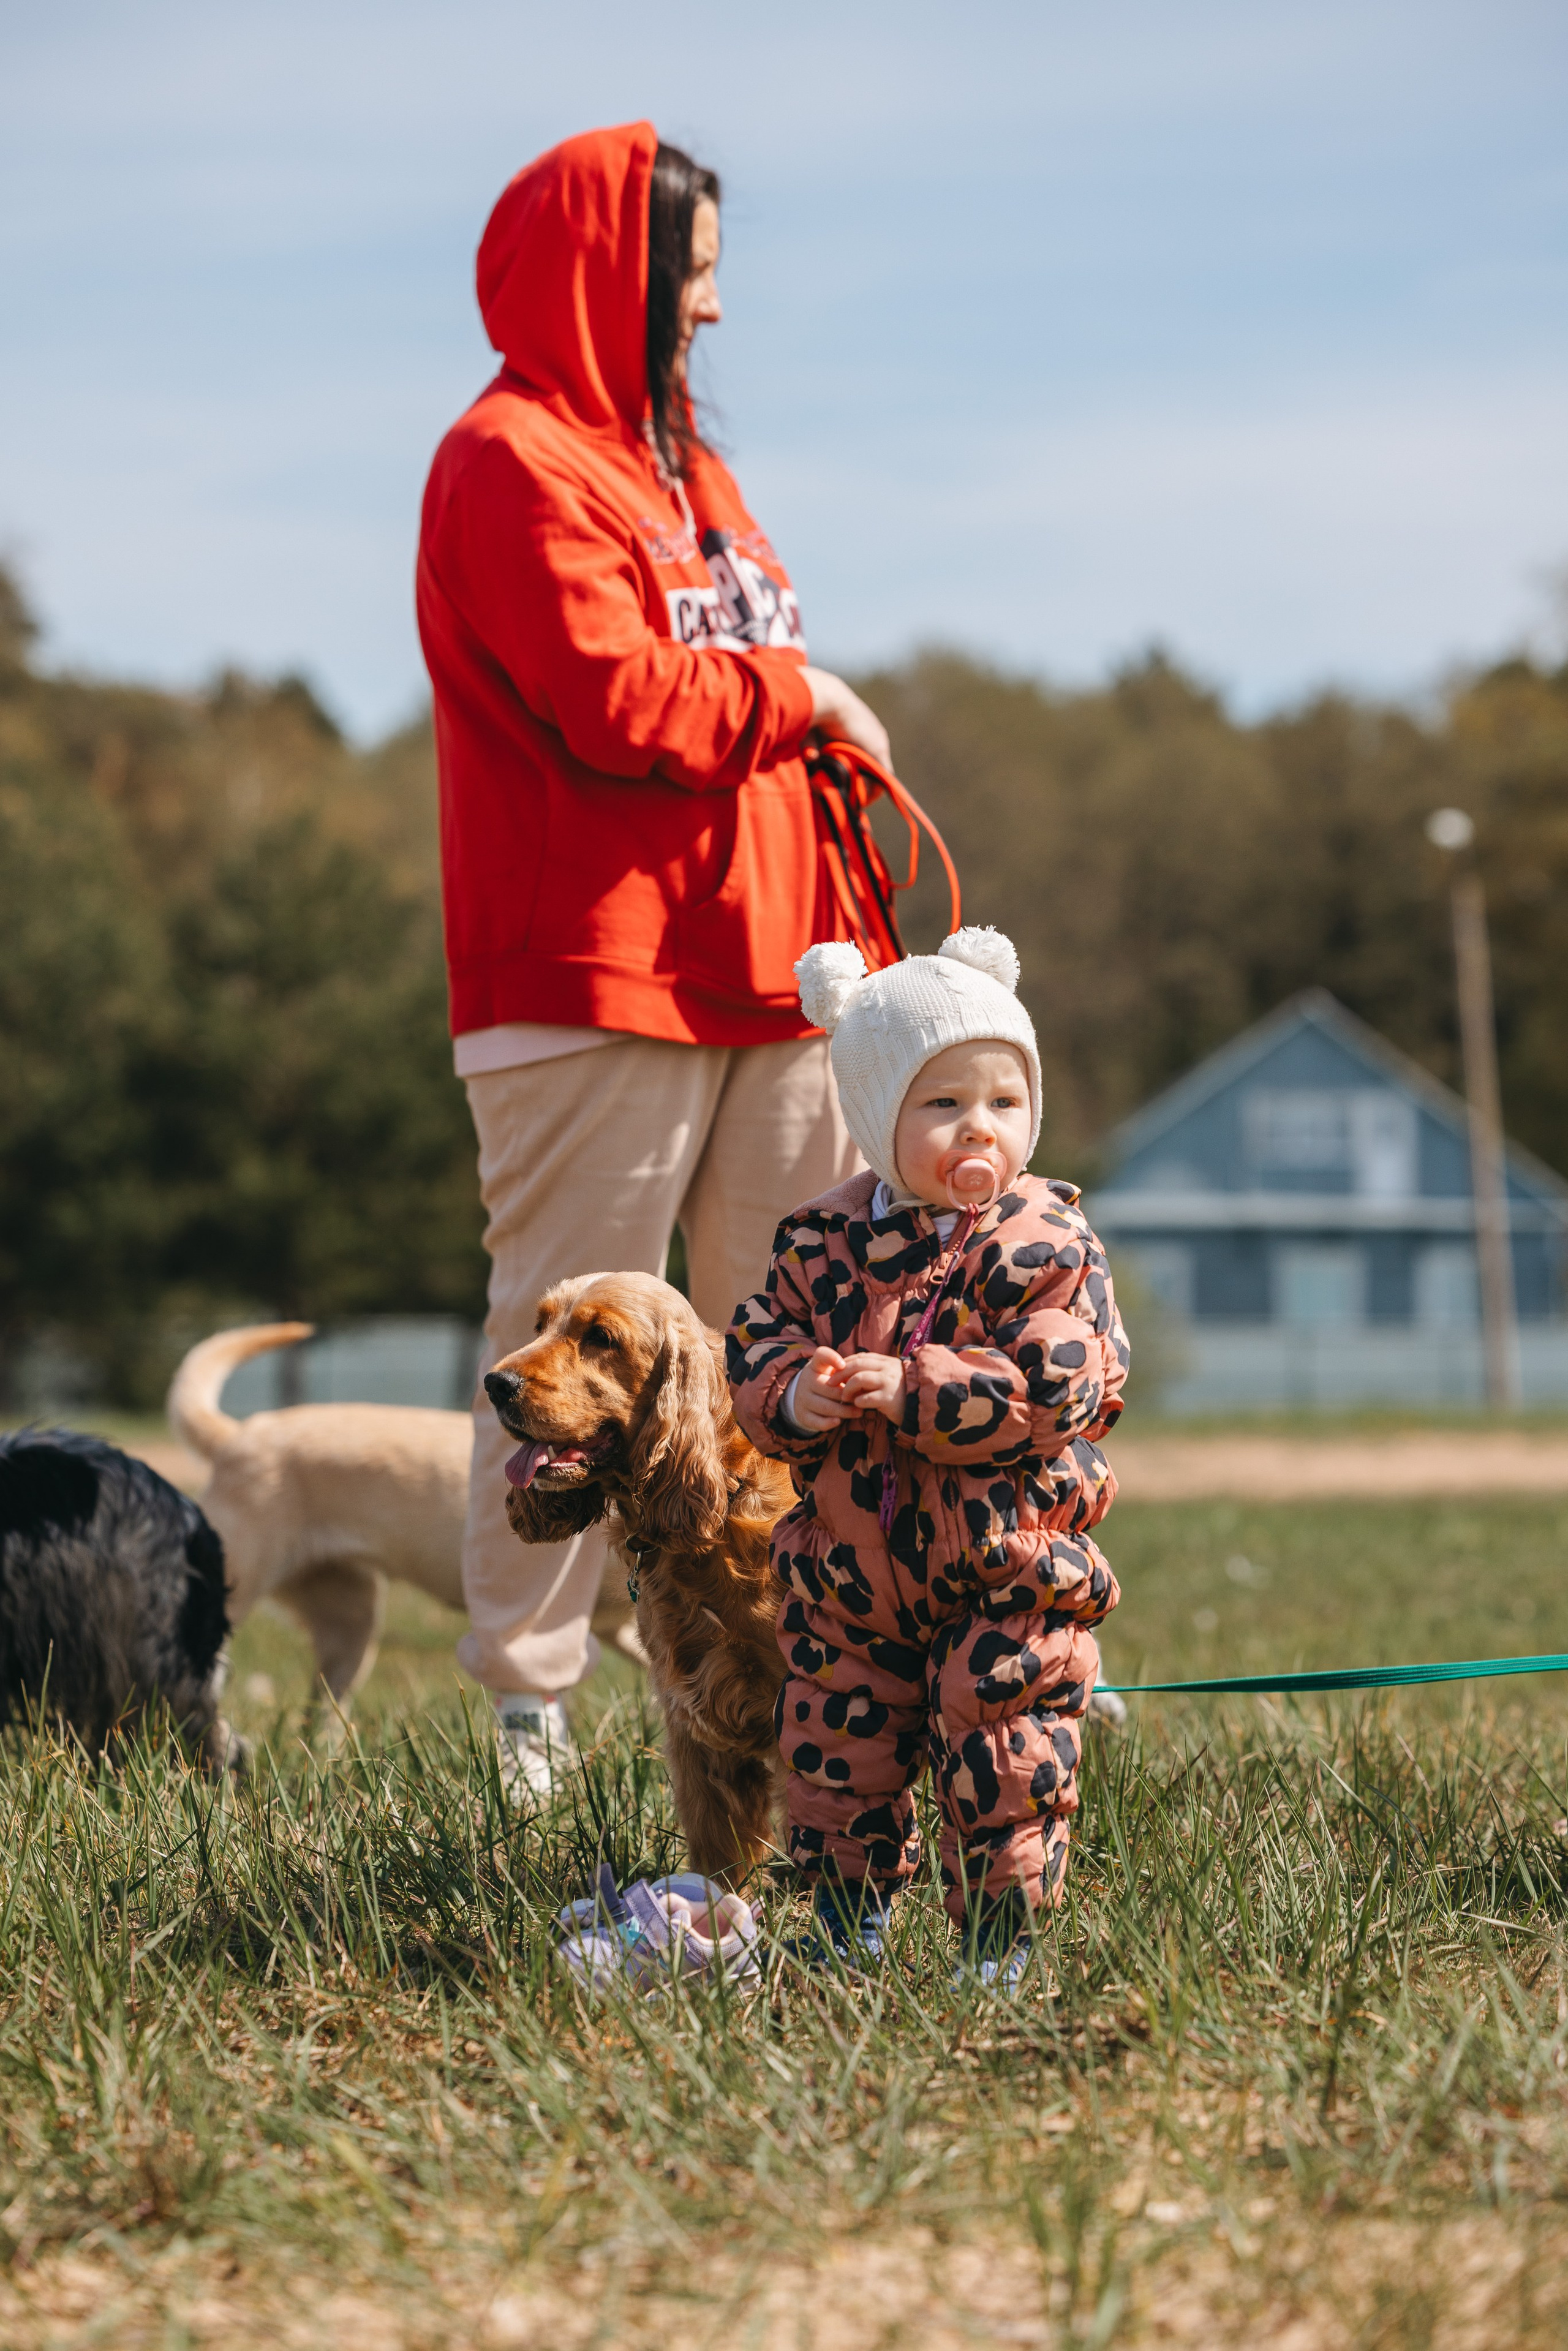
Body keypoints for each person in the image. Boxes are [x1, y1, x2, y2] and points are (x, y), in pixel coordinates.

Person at [417, 122, 888, 1794]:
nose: (711, 312)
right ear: (605, 274)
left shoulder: (692, 474)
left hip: (769, 959)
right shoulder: (509, 458)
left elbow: (725, 681)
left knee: (788, 1336)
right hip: (592, 967)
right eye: (688, 277)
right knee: (560, 1359)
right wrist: (808, 695)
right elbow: (616, 701)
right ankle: (528, 1705)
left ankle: (825, 1658)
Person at [725, 929, 1128, 1986]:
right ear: (873, 1114)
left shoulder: (1043, 1238)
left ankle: (999, 1941)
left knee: (1001, 1742)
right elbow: (756, 1346)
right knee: (833, 1742)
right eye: (943, 1102)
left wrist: (920, 1389)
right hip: (851, 1571)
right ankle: (841, 1918)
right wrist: (798, 1392)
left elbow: (1062, 1383)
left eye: (1005, 1098)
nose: (980, 1125)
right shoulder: (819, 1241)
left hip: (1008, 1560)